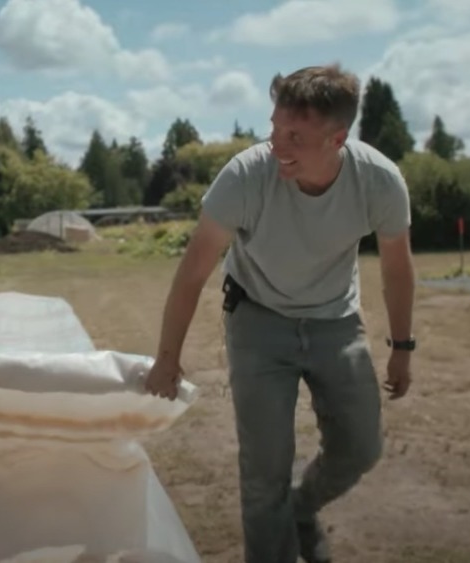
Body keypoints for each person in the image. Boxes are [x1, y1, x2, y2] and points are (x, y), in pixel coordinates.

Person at [144, 64, 416, 563]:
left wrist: (402, 346)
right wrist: (166, 358)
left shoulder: (378, 180)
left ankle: (301, 507)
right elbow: (191, 273)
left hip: (336, 319)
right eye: (274, 127)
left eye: (294, 134)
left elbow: (397, 268)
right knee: (264, 471)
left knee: (361, 448)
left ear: (338, 138)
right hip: (258, 319)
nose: (277, 144)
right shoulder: (246, 176)